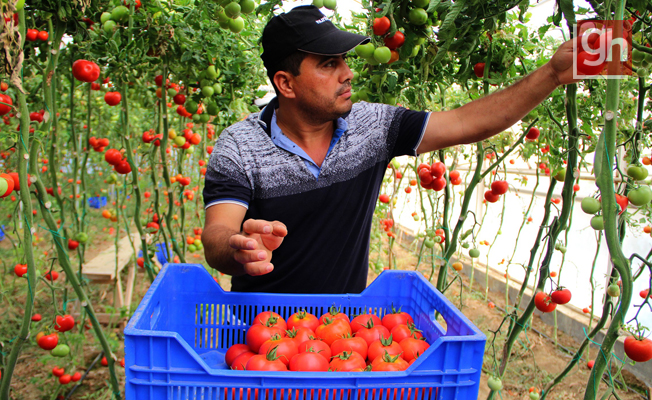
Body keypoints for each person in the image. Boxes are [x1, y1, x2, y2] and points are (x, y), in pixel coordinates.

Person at [201, 5, 577, 294]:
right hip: (261, 340)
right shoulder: (240, 146)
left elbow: (467, 123)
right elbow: (218, 233)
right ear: (286, 83)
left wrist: (553, 74)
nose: (347, 73)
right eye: (329, 64)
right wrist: (240, 249)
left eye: (345, 60)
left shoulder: (372, 127)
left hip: (342, 339)